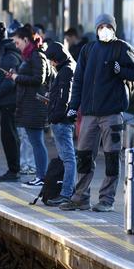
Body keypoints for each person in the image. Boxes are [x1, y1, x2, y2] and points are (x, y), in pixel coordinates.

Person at [60, 13, 134, 212]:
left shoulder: (122, 48)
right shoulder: (88, 49)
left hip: (112, 113)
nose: (104, 29)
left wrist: (121, 71)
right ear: (96, 28)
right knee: (83, 156)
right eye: (101, 26)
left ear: (114, 28)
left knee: (111, 157)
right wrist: (74, 105)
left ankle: (106, 200)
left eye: (108, 26)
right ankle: (80, 197)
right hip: (89, 113)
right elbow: (78, 80)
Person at [6, 24, 50, 187]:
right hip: (29, 105)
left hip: (35, 106)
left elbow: (40, 79)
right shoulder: (30, 56)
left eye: (17, 42)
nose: (16, 46)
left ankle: (42, 176)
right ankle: (41, 175)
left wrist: (18, 78)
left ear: (26, 39)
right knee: (36, 141)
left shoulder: (37, 56)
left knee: (37, 142)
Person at [44, 41, 77, 206]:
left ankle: (66, 193)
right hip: (62, 120)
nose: (51, 63)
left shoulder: (66, 72)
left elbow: (65, 97)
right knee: (68, 158)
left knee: (68, 159)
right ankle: (68, 192)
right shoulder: (69, 68)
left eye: (52, 60)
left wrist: (55, 116)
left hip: (61, 122)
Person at [0, 22, 23, 182]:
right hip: (8, 101)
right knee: (10, 136)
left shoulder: (8, 57)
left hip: (8, 102)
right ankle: (14, 168)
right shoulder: (7, 55)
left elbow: (9, 82)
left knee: (9, 137)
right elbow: (5, 78)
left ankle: (13, 170)